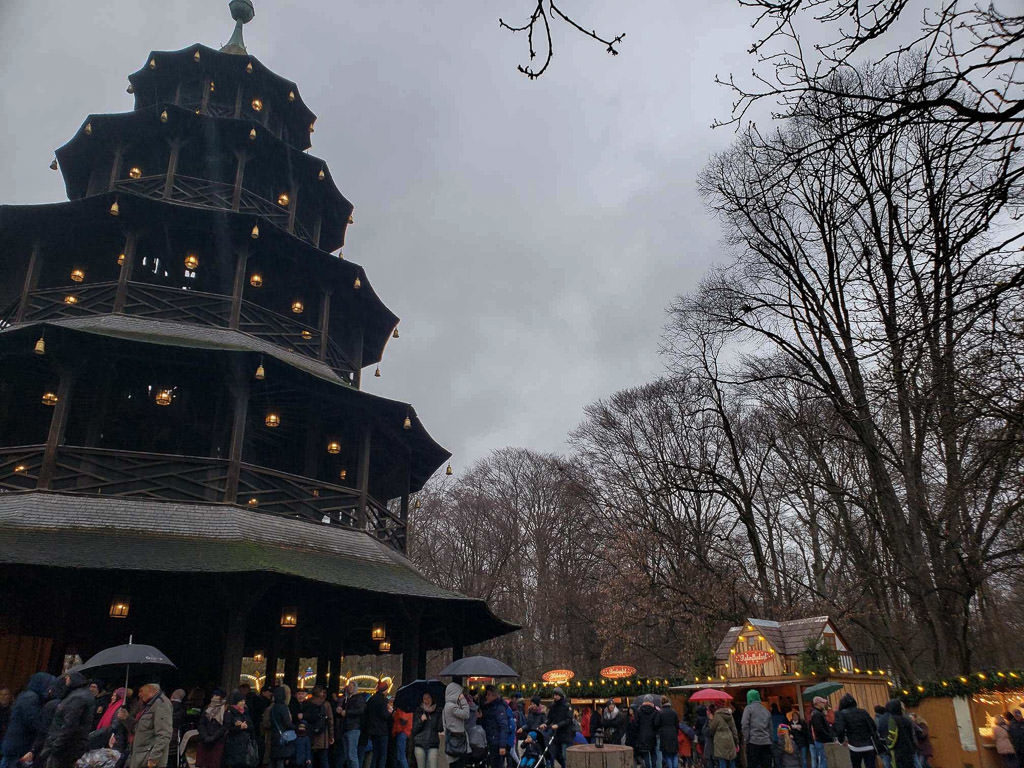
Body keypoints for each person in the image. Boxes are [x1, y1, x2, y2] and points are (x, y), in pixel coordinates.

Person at [41, 672, 95, 768]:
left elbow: (69, 725)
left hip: (64, 748)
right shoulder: (82, 695)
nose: (66, 681)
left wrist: (56, 745)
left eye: (67, 679)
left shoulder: (77, 697)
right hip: (70, 746)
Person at [1, 673, 54, 768]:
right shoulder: (31, 698)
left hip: (16, 743)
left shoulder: (29, 696)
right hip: (18, 745)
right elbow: (32, 720)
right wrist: (45, 728)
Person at [127, 683, 173, 768]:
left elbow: (164, 734)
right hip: (140, 758)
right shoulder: (149, 705)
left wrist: (154, 758)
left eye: (141, 691)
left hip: (148, 760)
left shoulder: (161, 704)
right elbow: (137, 729)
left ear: (152, 690)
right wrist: (125, 718)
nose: (139, 694)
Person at [832, 694, 877, 768]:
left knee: (856, 765)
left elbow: (840, 729)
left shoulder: (841, 714)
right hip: (869, 745)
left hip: (854, 746)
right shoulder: (863, 712)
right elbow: (873, 726)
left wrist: (841, 740)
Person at [876, 700, 914, 768]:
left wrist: (888, 744)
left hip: (898, 750)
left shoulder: (893, 720)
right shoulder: (906, 719)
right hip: (909, 749)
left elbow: (893, 735)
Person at [301, 687, 333, 768]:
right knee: (324, 760)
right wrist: (331, 736)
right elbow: (330, 720)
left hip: (309, 734)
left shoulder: (307, 703)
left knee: (309, 758)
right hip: (323, 735)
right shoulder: (326, 704)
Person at [540, 689, 573, 768]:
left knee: (565, 756)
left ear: (561, 695)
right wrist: (545, 724)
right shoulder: (553, 706)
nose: (555, 697)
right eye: (554, 695)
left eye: (556, 695)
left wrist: (558, 725)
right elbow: (550, 718)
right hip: (556, 735)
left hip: (566, 734)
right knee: (556, 755)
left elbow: (568, 720)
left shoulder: (567, 706)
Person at [196, 691, 227, 768]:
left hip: (218, 742)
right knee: (204, 764)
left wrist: (213, 737)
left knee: (215, 763)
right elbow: (201, 723)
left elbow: (225, 726)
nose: (214, 697)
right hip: (204, 741)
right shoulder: (207, 708)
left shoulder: (226, 709)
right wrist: (205, 736)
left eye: (217, 695)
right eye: (213, 695)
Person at [222, 693, 253, 768]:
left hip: (245, 744)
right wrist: (239, 727)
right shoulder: (230, 712)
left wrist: (246, 726)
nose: (243, 703)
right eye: (241, 701)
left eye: (244, 700)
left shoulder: (245, 711)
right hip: (234, 744)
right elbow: (227, 728)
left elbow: (251, 726)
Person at [741, 692, 772, 768]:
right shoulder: (766, 710)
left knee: (753, 764)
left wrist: (747, 738)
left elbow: (744, 724)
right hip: (766, 742)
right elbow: (770, 727)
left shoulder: (749, 708)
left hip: (753, 742)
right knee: (766, 764)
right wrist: (770, 739)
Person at [364, 682, 391, 768]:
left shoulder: (371, 699)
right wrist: (390, 712)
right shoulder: (384, 700)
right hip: (382, 731)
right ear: (385, 690)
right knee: (383, 755)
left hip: (373, 730)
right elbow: (384, 715)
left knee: (375, 754)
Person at [339, 682, 365, 768]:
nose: (349, 688)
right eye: (348, 686)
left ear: (355, 688)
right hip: (347, 727)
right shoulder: (347, 699)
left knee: (351, 754)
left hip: (353, 728)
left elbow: (360, 711)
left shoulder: (358, 698)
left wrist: (346, 712)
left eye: (351, 686)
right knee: (348, 754)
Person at [268, 686, 296, 768]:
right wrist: (295, 727)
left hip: (274, 735)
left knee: (274, 760)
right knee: (281, 760)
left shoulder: (273, 707)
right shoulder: (283, 707)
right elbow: (287, 723)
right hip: (283, 735)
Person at [480, 687, 508, 768]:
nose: (486, 697)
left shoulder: (499, 708)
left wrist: (502, 746)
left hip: (496, 742)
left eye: (489, 695)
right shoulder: (489, 707)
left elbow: (503, 726)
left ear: (494, 696)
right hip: (490, 740)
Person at [412, 692, 441, 768]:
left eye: (428, 698)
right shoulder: (418, 711)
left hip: (433, 744)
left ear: (432, 699)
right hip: (420, 744)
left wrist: (441, 717)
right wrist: (421, 720)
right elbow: (414, 729)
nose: (426, 700)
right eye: (424, 698)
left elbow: (440, 728)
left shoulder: (437, 711)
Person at [709, 704, 737, 768]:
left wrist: (711, 720)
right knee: (731, 759)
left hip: (719, 740)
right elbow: (734, 729)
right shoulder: (730, 715)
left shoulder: (717, 715)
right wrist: (736, 741)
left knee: (722, 761)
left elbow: (712, 729)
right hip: (730, 739)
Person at [808, 698, 834, 768]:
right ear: (817, 703)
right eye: (822, 702)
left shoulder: (817, 713)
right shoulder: (816, 714)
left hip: (821, 740)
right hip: (822, 741)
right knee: (823, 760)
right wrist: (829, 736)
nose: (823, 704)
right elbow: (819, 729)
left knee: (823, 760)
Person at [657, 697, 681, 768]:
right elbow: (677, 724)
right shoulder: (674, 712)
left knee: (667, 755)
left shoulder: (660, 713)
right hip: (673, 734)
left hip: (664, 735)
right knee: (675, 754)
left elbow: (657, 723)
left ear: (661, 703)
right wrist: (675, 732)